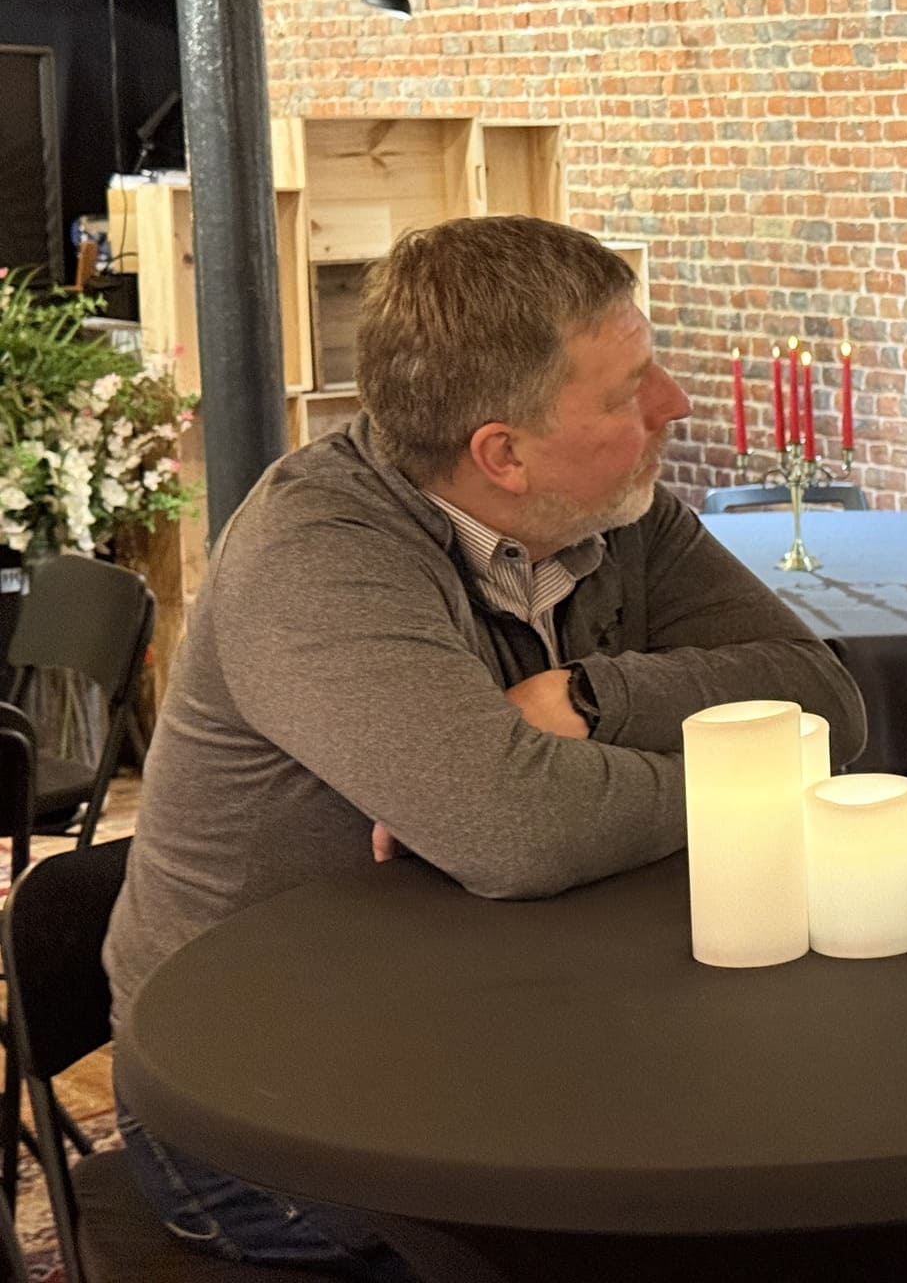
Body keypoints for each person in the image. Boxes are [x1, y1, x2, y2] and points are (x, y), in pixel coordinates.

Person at [104, 216, 868, 1281]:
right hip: (267, 1112)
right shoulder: (314, 552)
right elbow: (521, 830)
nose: (674, 403)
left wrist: (588, 700)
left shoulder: (615, 512)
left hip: (498, 1029)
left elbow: (824, 701)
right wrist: (748, 777)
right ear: (502, 454)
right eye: (629, 389)